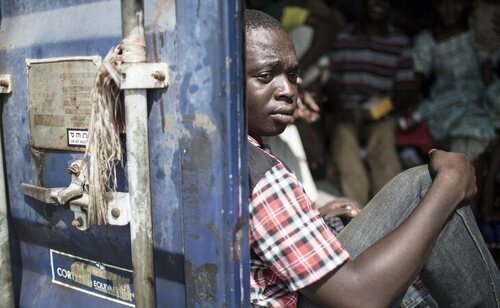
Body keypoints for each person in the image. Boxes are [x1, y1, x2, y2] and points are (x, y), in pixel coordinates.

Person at [245, 8, 500, 307]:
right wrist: (449, 188)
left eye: (292, 75)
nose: (288, 90)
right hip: (318, 297)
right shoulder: (262, 174)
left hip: (379, 115)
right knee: (426, 187)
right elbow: (359, 298)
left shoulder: (231, 151)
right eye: (265, 76)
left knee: (405, 212)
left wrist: (315, 219)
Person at [326, 0, 415, 206]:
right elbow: (332, 83)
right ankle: (357, 210)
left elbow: (404, 91)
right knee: (343, 137)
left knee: (382, 138)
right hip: (348, 111)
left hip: (383, 112)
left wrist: (376, 112)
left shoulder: (398, 41)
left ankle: (390, 208)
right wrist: (344, 109)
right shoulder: (344, 37)